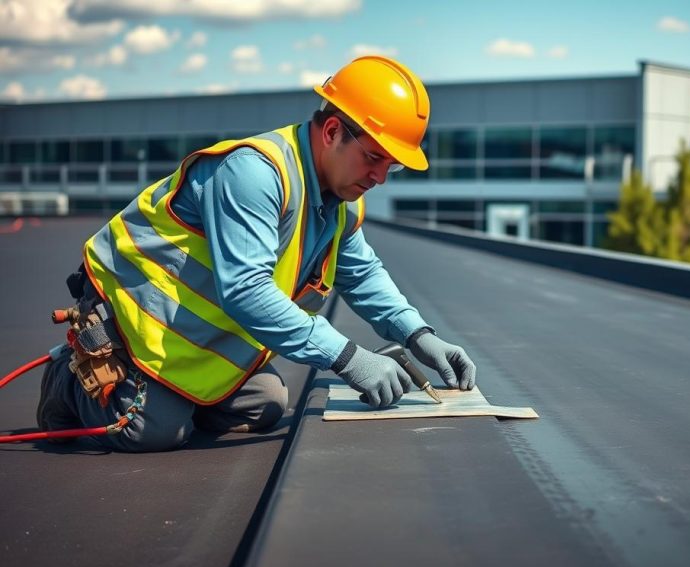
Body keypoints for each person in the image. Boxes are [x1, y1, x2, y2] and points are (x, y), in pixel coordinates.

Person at [36, 55, 477, 452]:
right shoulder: (255, 173)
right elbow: (246, 291)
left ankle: (178, 401)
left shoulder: (340, 199)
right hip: (136, 325)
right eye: (374, 158)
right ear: (331, 131)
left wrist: (418, 335)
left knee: (266, 404)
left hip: (192, 342)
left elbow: (361, 275)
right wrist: (348, 357)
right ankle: (65, 382)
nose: (380, 176)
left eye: (392, 166)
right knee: (151, 431)